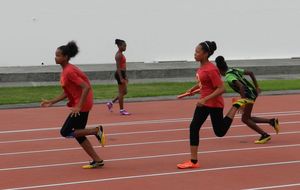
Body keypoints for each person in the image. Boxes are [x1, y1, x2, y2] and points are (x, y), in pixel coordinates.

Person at [177, 41, 253, 169]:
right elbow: (204, 83)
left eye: (197, 52)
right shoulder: (202, 67)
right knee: (194, 127)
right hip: (204, 102)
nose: (195, 54)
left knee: (220, 132)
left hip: (214, 103)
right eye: (195, 51)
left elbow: (221, 89)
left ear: (206, 54)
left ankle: (235, 105)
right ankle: (193, 161)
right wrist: (192, 89)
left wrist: (205, 99)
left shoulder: (211, 69)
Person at [41, 41, 106, 169]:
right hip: (81, 103)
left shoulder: (69, 71)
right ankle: (97, 160)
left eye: (58, 55)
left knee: (65, 132)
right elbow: (67, 92)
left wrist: (79, 106)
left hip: (82, 104)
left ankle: (96, 130)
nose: (55, 57)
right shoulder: (66, 70)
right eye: (55, 55)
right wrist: (52, 101)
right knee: (78, 134)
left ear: (65, 57)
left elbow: (86, 87)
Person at [215, 55, 279, 144]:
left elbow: (241, 87)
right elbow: (251, 73)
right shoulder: (233, 70)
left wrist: (243, 102)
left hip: (248, 95)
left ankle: (265, 135)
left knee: (245, 119)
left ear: (219, 69)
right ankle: (272, 121)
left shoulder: (229, 76)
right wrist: (257, 87)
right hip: (252, 93)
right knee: (247, 117)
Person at [106, 39, 130, 115]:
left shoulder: (121, 54)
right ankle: (121, 110)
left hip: (122, 74)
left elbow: (124, 66)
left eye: (126, 45)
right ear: (119, 46)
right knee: (121, 92)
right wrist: (121, 78)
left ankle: (111, 103)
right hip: (119, 74)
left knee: (125, 92)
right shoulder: (118, 55)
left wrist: (125, 76)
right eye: (124, 46)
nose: (125, 47)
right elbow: (118, 68)